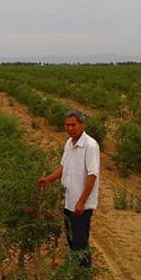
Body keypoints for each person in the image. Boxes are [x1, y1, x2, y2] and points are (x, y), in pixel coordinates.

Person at [39, 108, 100, 267]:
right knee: (72, 241)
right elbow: (64, 168)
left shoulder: (90, 146)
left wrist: (81, 202)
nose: (70, 128)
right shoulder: (68, 143)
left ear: (82, 124)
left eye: (73, 125)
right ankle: (76, 273)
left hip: (81, 206)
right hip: (68, 202)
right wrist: (49, 179)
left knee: (80, 244)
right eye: (67, 125)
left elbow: (92, 175)